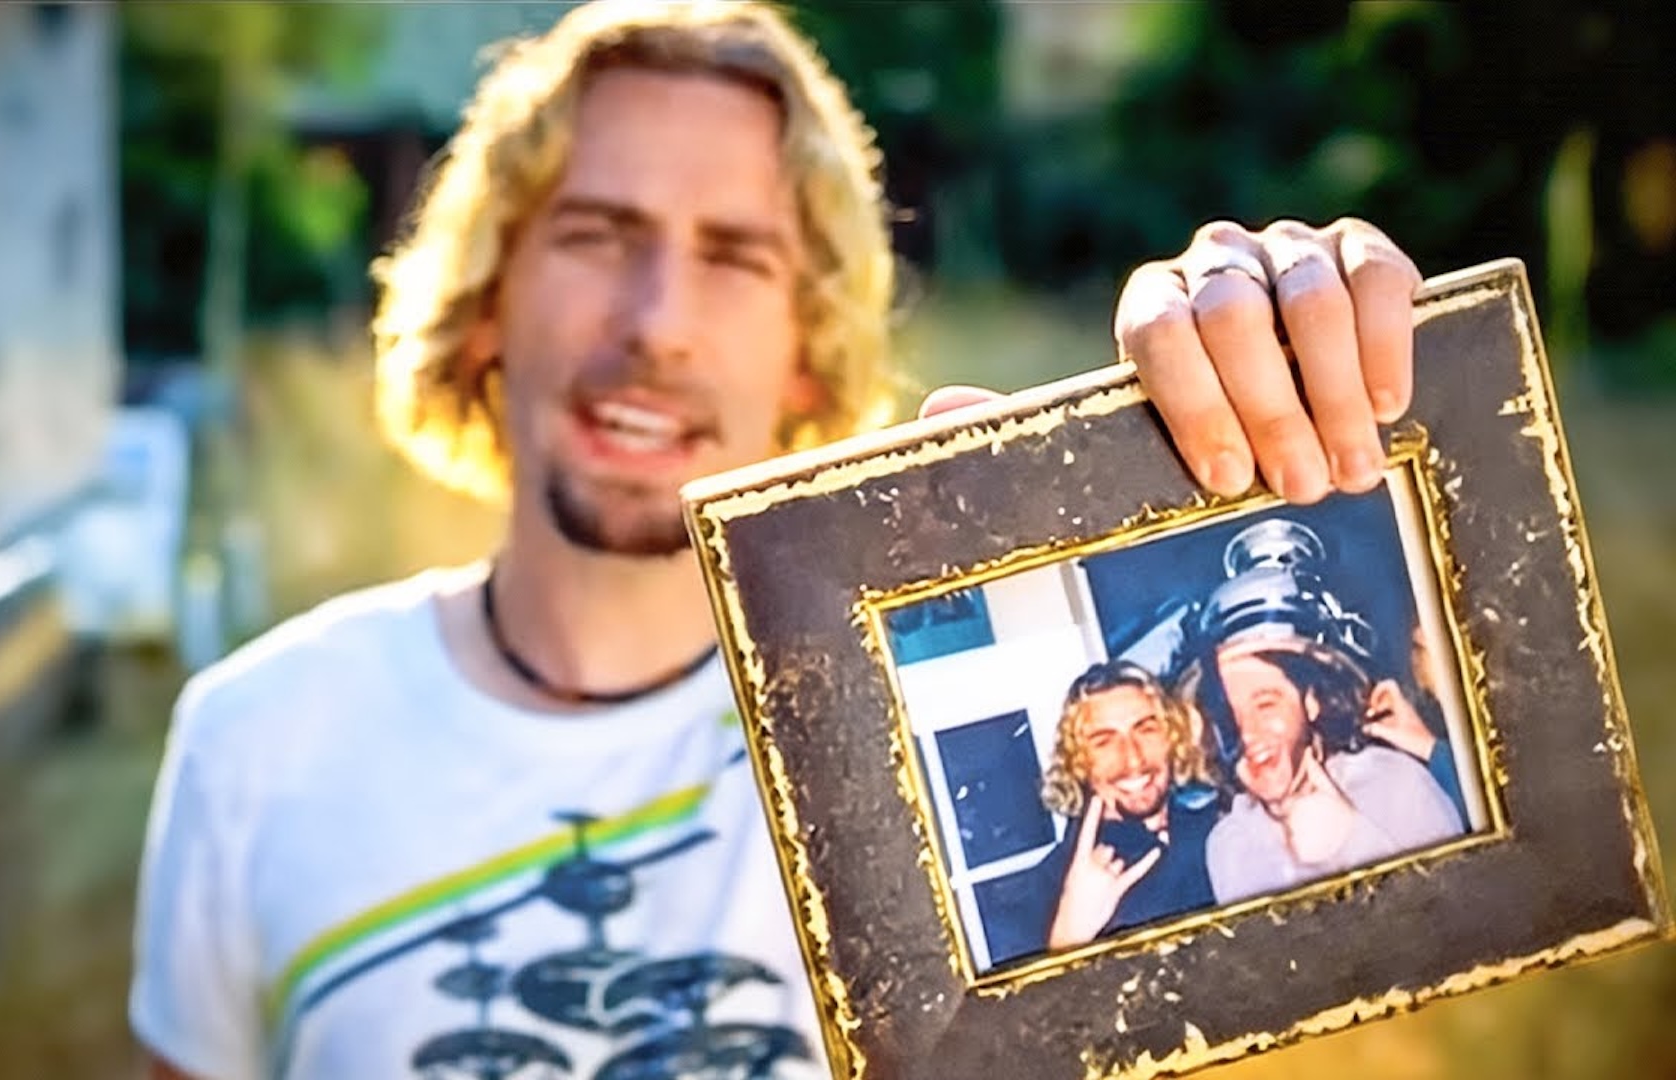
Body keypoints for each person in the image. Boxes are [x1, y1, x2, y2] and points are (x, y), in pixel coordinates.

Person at [129, 3, 1427, 1077]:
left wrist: (1281, 372)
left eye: (735, 258)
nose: (660, 323)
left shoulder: (907, 738)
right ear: (485, 303)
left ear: (811, 358)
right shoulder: (254, 739)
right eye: (596, 234)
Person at [1197, 635, 1464, 906]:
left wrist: (1351, 840)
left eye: (1266, 704)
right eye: (1229, 716)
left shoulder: (1395, 786)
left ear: (1311, 702)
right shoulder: (1228, 845)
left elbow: (1459, 919)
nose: (1249, 733)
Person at [986, 662, 1221, 965]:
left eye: (1146, 729)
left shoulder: (1217, 830)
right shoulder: (1042, 896)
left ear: (1173, 736)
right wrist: (1068, 939)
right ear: (1077, 761)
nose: (1133, 759)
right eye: (1104, 741)